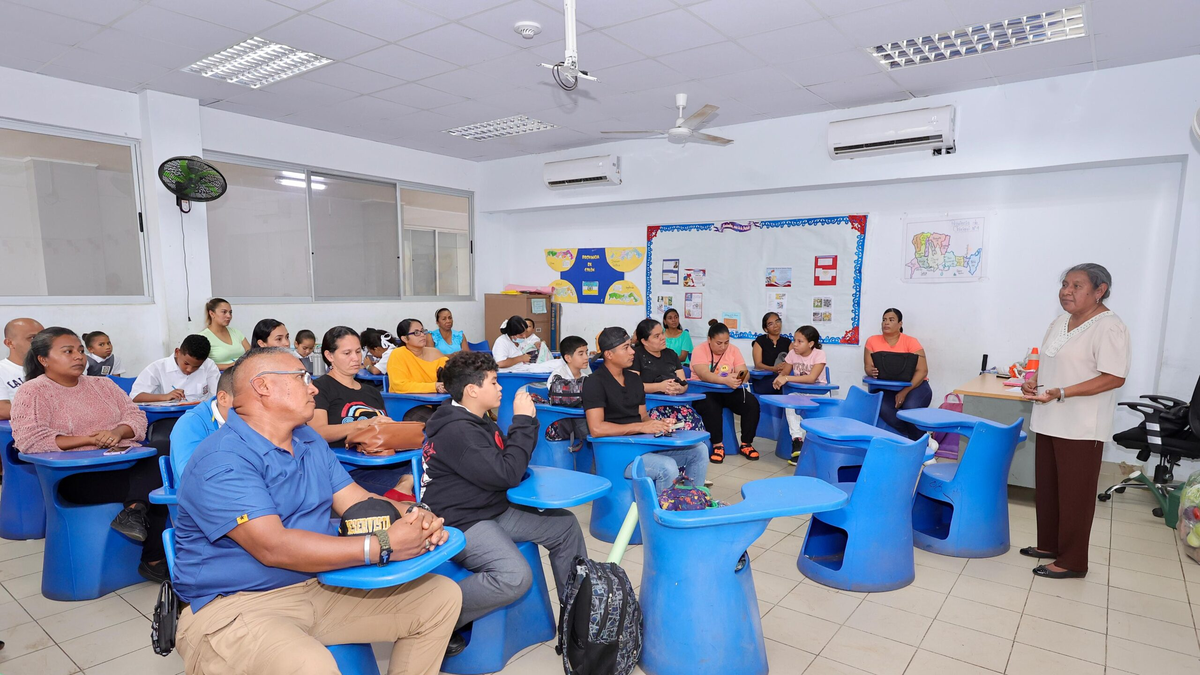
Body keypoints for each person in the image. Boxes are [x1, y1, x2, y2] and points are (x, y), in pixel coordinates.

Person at [173, 347, 461, 675]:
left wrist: (415, 514)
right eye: (301, 378)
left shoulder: (307, 439)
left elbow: (359, 500)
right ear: (263, 386)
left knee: (440, 597)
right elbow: (272, 546)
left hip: (318, 584)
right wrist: (382, 544)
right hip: (235, 605)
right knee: (312, 665)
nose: (313, 388)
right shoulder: (222, 458)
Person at [421, 351, 587, 641]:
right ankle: (433, 616)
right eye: (494, 382)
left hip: (491, 507)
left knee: (564, 526)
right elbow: (507, 473)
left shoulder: (479, 419)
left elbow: (510, 458)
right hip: (460, 520)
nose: (500, 388)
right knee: (515, 577)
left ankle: (579, 616)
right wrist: (522, 420)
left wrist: (527, 421)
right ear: (473, 390)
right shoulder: (458, 431)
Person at [10, 327, 166, 582]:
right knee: (155, 485)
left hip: (123, 465)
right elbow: (29, 440)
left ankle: (135, 511)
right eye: (68, 351)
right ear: (43, 359)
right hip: (77, 477)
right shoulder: (33, 392)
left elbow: (136, 417)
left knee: (164, 451)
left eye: (80, 351)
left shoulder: (103, 384)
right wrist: (91, 439)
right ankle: (153, 558)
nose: (78, 357)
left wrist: (117, 432)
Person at [1020, 263, 1130, 580]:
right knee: (1050, 490)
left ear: (1100, 291)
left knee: (1075, 496)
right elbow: (1051, 360)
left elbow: (1114, 377)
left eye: (1076, 286)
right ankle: (1050, 545)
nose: (1067, 291)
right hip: (1050, 418)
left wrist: (1063, 392)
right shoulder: (1060, 321)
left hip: (1081, 426)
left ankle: (1072, 561)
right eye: (1065, 284)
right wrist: (1035, 381)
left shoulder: (1109, 327)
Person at [583, 327, 709, 494]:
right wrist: (641, 427)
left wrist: (658, 424)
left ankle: (687, 506)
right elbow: (597, 429)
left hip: (640, 446)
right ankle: (659, 518)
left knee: (699, 451)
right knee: (667, 467)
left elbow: (643, 417)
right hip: (615, 452)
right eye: (625, 348)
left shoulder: (634, 379)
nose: (632, 352)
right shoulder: (594, 382)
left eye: (631, 346)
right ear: (609, 354)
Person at [312, 326, 414, 499]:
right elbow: (318, 432)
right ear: (330, 356)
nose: (355, 358)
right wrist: (362, 424)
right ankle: (406, 487)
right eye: (347, 353)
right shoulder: (320, 388)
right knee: (423, 485)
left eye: (358, 351)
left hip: (386, 460)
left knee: (436, 471)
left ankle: (406, 485)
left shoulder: (371, 392)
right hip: (349, 470)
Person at [690, 320, 761, 462]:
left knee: (752, 403)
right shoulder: (700, 350)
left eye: (726, 342)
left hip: (728, 390)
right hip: (703, 391)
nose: (723, 347)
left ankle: (746, 443)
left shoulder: (733, 350)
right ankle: (717, 445)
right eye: (719, 343)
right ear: (709, 339)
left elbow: (744, 372)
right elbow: (704, 374)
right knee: (711, 406)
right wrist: (724, 380)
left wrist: (740, 377)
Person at [863, 308, 933, 441]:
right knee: (883, 408)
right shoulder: (872, 341)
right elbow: (867, 366)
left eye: (891, 320)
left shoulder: (911, 342)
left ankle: (919, 443)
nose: (886, 323)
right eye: (884, 320)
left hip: (915, 387)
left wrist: (905, 392)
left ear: (900, 324)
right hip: (886, 389)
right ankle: (920, 439)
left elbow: (923, 371)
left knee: (909, 408)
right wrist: (870, 371)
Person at [631, 318, 704, 431]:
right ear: (644, 341)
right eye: (656, 336)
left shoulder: (671, 354)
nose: (663, 338)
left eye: (662, 333)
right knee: (665, 428)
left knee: (695, 424)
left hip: (675, 404)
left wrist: (678, 389)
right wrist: (660, 387)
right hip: (650, 407)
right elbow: (633, 386)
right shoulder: (636, 356)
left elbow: (684, 383)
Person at [773, 326, 828, 463]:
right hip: (800, 393)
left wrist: (786, 378)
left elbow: (811, 378)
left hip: (818, 394)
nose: (795, 344)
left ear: (810, 344)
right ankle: (797, 441)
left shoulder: (819, 354)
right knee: (790, 401)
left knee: (807, 413)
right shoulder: (792, 354)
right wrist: (779, 379)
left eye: (799, 341)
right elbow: (784, 373)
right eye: (794, 340)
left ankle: (803, 449)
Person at [169, 367, 236, 479]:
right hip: (208, 494)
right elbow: (192, 478)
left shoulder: (261, 421)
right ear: (223, 398)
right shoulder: (190, 424)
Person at [386, 320, 449, 424]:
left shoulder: (435, 353)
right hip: (407, 405)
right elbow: (399, 385)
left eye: (423, 331)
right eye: (416, 333)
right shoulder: (398, 355)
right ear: (404, 338)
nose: (422, 335)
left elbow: (453, 373)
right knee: (442, 423)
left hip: (436, 403)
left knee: (465, 417)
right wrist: (435, 386)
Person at [131, 334, 221, 403]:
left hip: (200, 415)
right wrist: (165, 397)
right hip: (168, 417)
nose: (189, 369)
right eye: (186, 363)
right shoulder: (157, 368)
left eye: (196, 367)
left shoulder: (209, 366)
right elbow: (135, 397)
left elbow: (217, 396)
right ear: (177, 352)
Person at [545, 335, 592, 450]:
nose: (586, 357)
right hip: (565, 421)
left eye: (587, 352)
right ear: (568, 358)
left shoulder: (586, 376)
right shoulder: (557, 377)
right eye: (581, 354)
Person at [0, 317, 43, 420]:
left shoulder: (52, 368)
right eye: (32, 338)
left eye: (43, 338)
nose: (40, 343)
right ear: (9, 343)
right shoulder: (2, 370)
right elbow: (2, 410)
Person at [199, 298, 250, 371]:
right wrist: (231, 365)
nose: (229, 316)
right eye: (224, 312)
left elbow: (250, 353)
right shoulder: (203, 337)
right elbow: (202, 364)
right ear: (212, 313)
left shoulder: (236, 332)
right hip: (219, 376)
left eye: (230, 312)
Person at [751, 313, 791, 394]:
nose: (776, 325)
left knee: (786, 385)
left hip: (782, 377)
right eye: (770, 324)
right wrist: (774, 368)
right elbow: (758, 364)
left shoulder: (787, 342)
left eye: (777, 321)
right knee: (781, 385)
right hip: (764, 379)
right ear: (766, 329)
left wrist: (785, 367)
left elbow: (794, 361)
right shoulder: (760, 341)